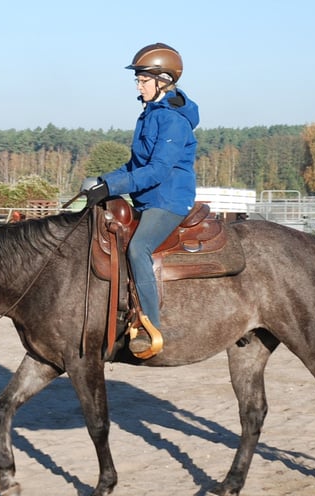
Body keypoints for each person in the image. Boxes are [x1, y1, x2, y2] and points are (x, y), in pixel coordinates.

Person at [82, 42, 199, 358]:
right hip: (148, 199)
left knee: (138, 247)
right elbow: (135, 166)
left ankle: (151, 326)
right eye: (137, 80)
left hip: (169, 200)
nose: (138, 85)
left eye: (143, 80)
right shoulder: (149, 114)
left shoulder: (172, 120)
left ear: (163, 80)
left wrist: (113, 185)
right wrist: (104, 182)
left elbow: (158, 171)